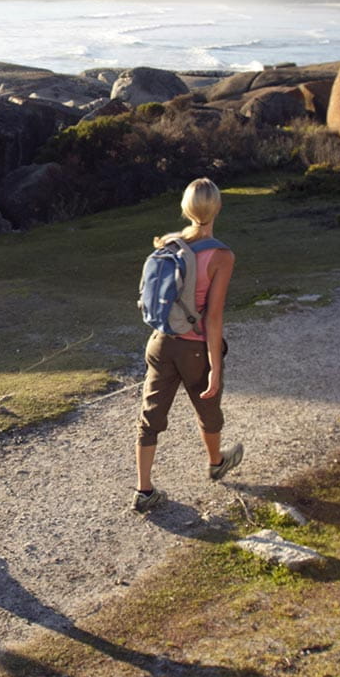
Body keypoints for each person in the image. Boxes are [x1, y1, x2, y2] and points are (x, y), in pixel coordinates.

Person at [134, 177, 241, 512]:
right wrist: (216, 369)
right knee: (208, 407)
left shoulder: (167, 244)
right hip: (194, 348)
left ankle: (144, 490)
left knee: (150, 416)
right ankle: (215, 462)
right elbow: (213, 317)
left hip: (161, 342)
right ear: (218, 208)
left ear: (185, 208)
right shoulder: (222, 256)